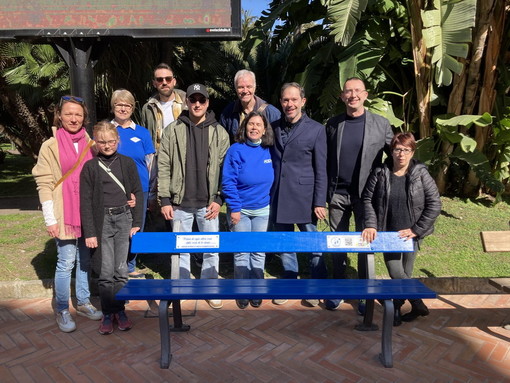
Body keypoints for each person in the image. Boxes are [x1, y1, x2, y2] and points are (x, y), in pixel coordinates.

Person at [32, 95, 102, 333]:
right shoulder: (49, 146)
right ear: (59, 116)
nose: (74, 118)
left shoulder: (91, 144)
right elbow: (44, 183)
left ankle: (83, 302)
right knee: (66, 262)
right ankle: (62, 308)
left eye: (78, 114)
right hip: (64, 213)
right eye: (69, 114)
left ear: (85, 118)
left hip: (86, 212)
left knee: (85, 260)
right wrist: (50, 219)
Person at [158, 83, 229, 309]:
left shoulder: (219, 132)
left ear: (207, 103)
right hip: (180, 202)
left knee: (211, 248)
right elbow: (163, 165)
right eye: (193, 100)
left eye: (202, 100)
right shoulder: (173, 129)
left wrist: (219, 199)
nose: (197, 104)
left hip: (209, 204)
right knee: (180, 249)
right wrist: (165, 199)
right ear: (186, 102)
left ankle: (210, 287)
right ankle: (182, 287)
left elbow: (226, 170)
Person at [325, 77, 394, 311]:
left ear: (365, 95)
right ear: (342, 96)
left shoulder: (381, 124)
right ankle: (337, 288)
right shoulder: (333, 124)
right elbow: (324, 160)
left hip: (367, 196)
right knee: (337, 244)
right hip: (337, 195)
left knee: (366, 245)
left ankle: (365, 293)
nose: (352, 95)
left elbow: (396, 156)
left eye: (357, 91)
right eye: (348, 92)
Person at [361, 132, 441, 326]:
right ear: (392, 151)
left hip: (410, 235)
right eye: (398, 149)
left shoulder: (421, 173)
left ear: (412, 152)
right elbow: (367, 200)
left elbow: (435, 204)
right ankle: (417, 303)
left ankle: (397, 307)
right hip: (389, 234)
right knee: (396, 271)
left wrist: (416, 229)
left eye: (406, 150)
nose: (401, 154)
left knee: (405, 272)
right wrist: (371, 224)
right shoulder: (381, 171)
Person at [80, 121, 144, 334]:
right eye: (102, 142)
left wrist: (136, 222)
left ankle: (120, 310)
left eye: (111, 141)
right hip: (102, 222)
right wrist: (89, 232)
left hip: (123, 218)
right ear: (95, 143)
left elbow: (137, 192)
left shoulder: (126, 163)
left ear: (118, 141)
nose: (107, 145)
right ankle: (108, 313)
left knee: (121, 270)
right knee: (106, 272)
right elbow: (86, 202)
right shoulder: (90, 167)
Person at [270, 82, 328, 306]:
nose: (289, 104)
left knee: (313, 244)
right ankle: (290, 281)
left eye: (294, 99)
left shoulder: (316, 129)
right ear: (281, 102)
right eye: (285, 100)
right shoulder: (273, 127)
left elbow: (321, 168)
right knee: (285, 243)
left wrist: (319, 201)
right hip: (279, 195)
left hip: (306, 197)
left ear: (303, 101)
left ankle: (318, 285)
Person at [222, 111, 275, 309]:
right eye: (250, 124)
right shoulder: (236, 150)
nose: (254, 128)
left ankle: (257, 289)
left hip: (262, 209)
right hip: (240, 210)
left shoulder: (269, 150)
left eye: (258, 124)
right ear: (244, 128)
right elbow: (228, 182)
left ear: (264, 129)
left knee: (258, 252)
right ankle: (242, 290)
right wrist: (235, 208)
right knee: (242, 252)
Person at [110, 89, 156, 278]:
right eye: (119, 104)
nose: (123, 108)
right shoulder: (107, 130)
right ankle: (115, 267)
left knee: (137, 227)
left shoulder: (142, 133)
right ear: (113, 107)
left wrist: (152, 192)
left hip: (141, 190)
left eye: (127, 105)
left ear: (132, 107)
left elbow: (150, 163)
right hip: (113, 190)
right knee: (116, 228)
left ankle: (130, 265)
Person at [219, 69, 281, 143]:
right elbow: (222, 141)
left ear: (254, 88)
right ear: (235, 88)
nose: (245, 91)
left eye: (249, 87)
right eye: (241, 87)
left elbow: (279, 141)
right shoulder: (228, 113)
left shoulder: (271, 113)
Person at [140, 63, 187, 150]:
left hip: (184, 156)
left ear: (174, 81)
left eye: (168, 79)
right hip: (159, 157)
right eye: (160, 80)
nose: (164, 82)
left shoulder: (187, 104)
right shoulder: (148, 108)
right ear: (154, 83)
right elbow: (144, 137)